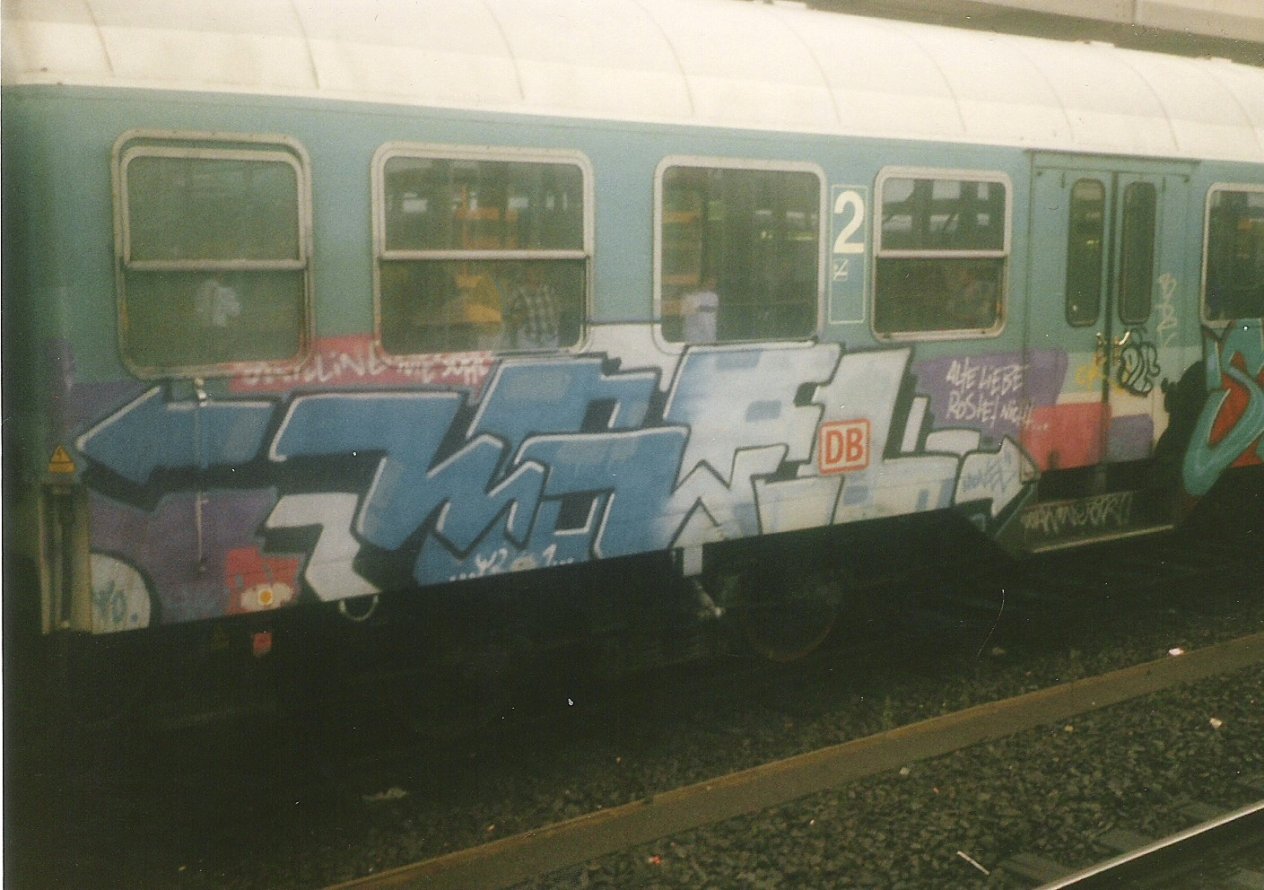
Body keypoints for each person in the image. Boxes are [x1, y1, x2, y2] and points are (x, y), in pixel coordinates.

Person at [505, 265, 560, 349]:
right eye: (533, 270)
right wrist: (519, 317)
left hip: (550, 338)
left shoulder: (548, 289)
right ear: (527, 273)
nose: (537, 272)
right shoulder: (518, 292)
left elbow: (557, 308)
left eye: (540, 270)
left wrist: (555, 324)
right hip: (528, 340)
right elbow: (509, 316)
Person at [680, 275, 719, 342]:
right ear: (703, 282)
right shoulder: (688, 297)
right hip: (693, 335)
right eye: (709, 283)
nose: (711, 285)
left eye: (713, 284)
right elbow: (684, 315)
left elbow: (713, 310)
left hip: (710, 334)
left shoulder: (714, 297)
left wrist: (699, 308)